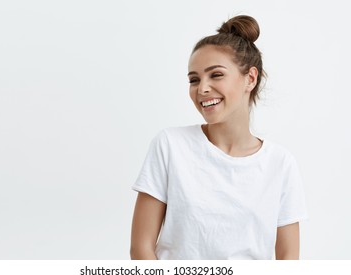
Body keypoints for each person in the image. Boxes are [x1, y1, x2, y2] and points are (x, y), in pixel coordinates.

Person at [130, 15, 308, 260]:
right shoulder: (170, 146)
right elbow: (141, 249)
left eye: (215, 75)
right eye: (194, 79)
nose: (202, 88)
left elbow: (289, 261)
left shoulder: (280, 164)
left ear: (251, 78)